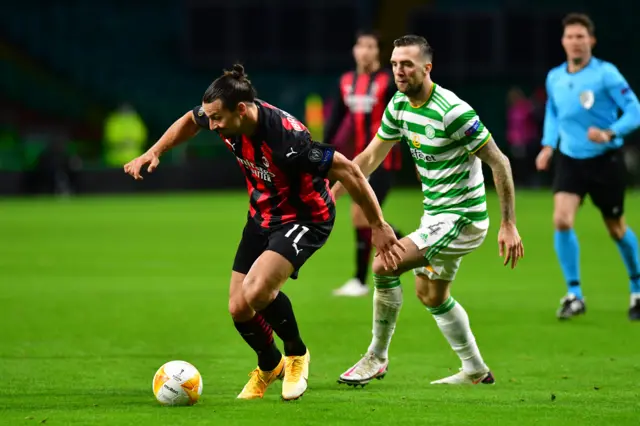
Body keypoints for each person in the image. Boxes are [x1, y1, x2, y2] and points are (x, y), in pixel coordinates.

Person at [123, 65, 404, 400]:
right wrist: (154, 151)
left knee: (257, 292)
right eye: (209, 118)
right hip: (262, 216)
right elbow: (190, 119)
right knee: (239, 308)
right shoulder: (223, 112)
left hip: (305, 218)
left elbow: (351, 171)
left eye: (217, 119)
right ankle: (270, 365)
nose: (212, 125)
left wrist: (377, 224)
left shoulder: (288, 139)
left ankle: (297, 354)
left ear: (241, 110)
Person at [332, 35, 524, 386]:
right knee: (431, 294)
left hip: (462, 218)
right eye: (394, 64)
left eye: (406, 64)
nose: (399, 71)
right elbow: (369, 158)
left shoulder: (453, 111)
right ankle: (476, 371)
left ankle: (376, 357)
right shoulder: (400, 106)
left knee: (383, 263)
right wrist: (332, 194)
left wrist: (508, 224)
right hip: (436, 217)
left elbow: (500, 162)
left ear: (426, 67)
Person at [535, 13, 640, 320]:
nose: (575, 42)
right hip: (570, 159)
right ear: (563, 42)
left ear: (591, 40)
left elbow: (634, 110)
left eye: (581, 36)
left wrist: (611, 132)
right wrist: (547, 145)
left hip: (606, 160)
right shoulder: (555, 77)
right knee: (562, 220)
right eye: (570, 37)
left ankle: (636, 289)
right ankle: (574, 294)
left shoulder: (607, 74)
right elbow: (553, 113)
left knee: (616, 228)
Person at [324, 30, 404, 297]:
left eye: (371, 46)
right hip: (357, 161)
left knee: (361, 214)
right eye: (361, 45)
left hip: (384, 159)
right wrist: (321, 151)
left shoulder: (387, 82)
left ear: (378, 52)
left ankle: (360, 281)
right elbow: (335, 120)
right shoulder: (346, 82)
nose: (365, 51)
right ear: (354, 50)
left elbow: (403, 118)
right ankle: (406, 241)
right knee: (363, 217)